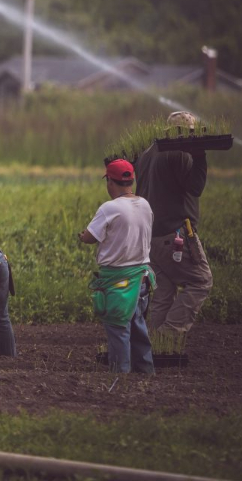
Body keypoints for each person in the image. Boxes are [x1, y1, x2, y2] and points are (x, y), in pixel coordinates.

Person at [135, 111, 212, 335]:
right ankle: (167, 334)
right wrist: (200, 156)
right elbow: (195, 187)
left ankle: (155, 349)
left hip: (151, 238)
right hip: (175, 235)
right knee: (201, 282)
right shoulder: (177, 152)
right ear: (184, 133)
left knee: (163, 293)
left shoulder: (148, 152)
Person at [79, 159, 155, 375]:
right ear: (132, 180)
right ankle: (146, 374)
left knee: (118, 328)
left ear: (110, 182)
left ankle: (120, 377)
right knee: (138, 327)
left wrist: (81, 235)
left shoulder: (109, 208)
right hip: (141, 278)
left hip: (118, 281)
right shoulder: (145, 204)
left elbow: (90, 237)